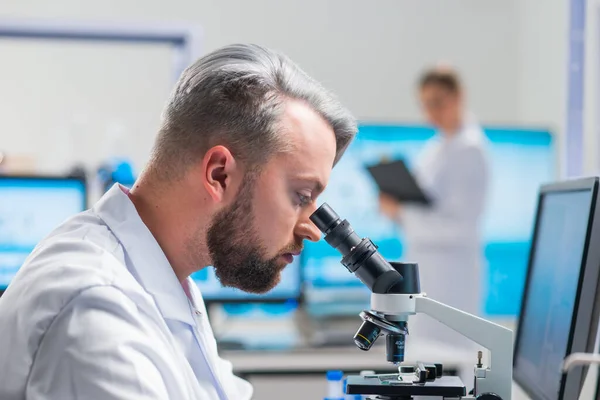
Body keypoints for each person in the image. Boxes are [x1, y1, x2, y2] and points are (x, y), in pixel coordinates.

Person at [0, 44, 357, 400]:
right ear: (219, 175)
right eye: (301, 196)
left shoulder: (163, 276)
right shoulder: (98, 309)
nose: (311, 229)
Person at [379, 65, 490, 351]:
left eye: (437, 103)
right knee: (425, 360)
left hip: (452, 280)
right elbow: (424, 207)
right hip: (428, 273)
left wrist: (400, 212)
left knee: (452, 363)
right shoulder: (438, 148)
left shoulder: (471, 151)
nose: (431, 113)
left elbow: (459, 227)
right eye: (425, 105)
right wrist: (397, 206)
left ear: (458, 97)